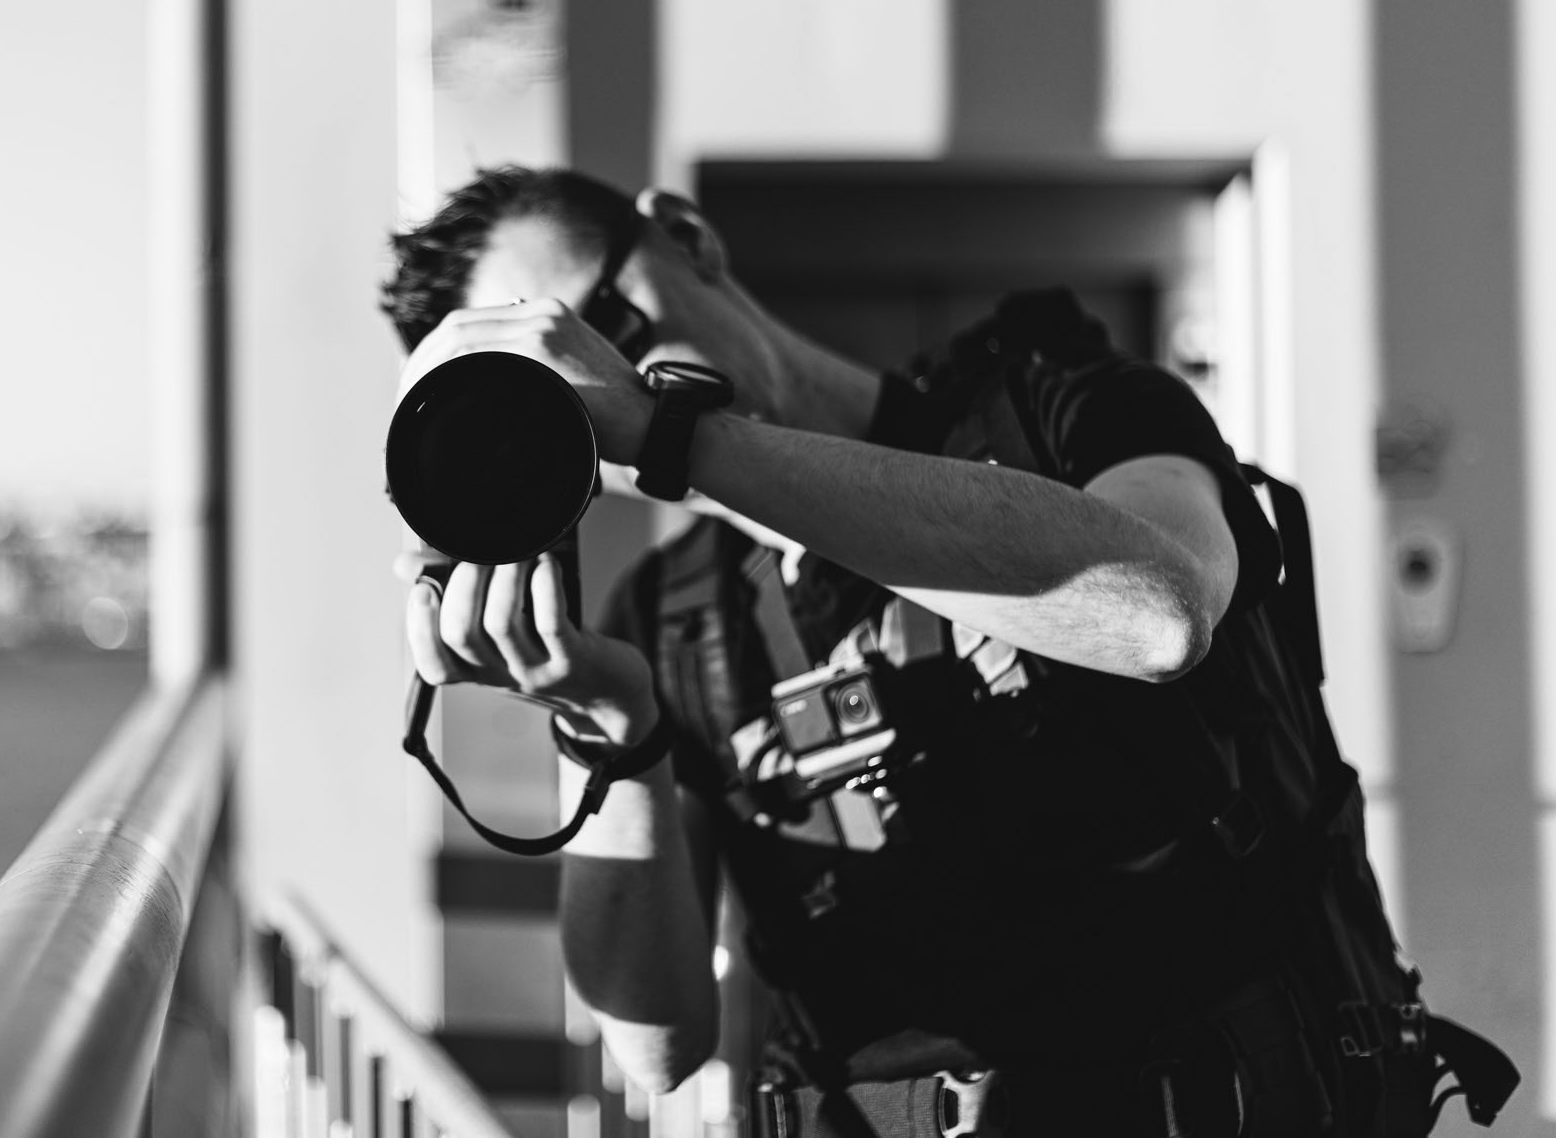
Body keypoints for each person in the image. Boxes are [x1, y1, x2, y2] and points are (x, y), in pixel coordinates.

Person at [381, 166, 1317, 1137]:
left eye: (606, 329)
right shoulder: (668, 611)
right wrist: (612, 729)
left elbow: (1159, 614)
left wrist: (678, 440)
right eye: (563, 390)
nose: (607, 385)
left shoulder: (1057, 407)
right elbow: (653, 1045)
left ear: (686, 239)